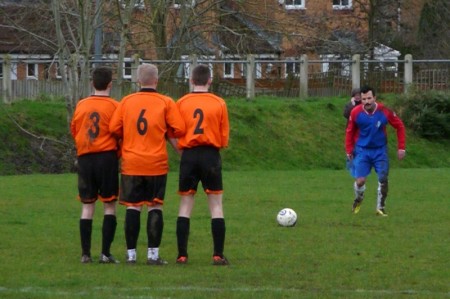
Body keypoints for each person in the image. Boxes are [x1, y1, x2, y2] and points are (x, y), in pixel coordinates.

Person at [109, 63, 185, 265]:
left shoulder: (126, 102)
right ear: (156, 80)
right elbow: (179, 128)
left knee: (133, 207)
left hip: (132, 162)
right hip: (156, 162)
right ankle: (153, 255)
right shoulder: (166, 102)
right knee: (154, 207)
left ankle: (131, 255)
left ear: (138, 81)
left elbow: (114, 128)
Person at [173, 64, 230, 266]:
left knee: (186, 204)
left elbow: (174, 132)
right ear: (209, 81)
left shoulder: (181, 103)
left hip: (189, 155)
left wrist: (183, 151)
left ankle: (182, 255)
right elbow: (223, 138)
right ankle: (217, 254)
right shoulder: (219, 103)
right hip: (210, 155)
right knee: (216, 205)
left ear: (191, 80)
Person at [70, 66, 120, 264]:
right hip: (106, 158)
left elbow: (74, 130)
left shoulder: (81, 104)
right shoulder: (115, 106)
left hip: (86, 159)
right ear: (110, 84)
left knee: (87, 206)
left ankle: (85, 254)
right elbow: (119, 132)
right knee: (109, 206)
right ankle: (105, 253)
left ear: (92, 83)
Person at [345, 85, 406, 216]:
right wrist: (349, 150)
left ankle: (380, 208)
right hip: (362, 151)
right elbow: (350, 131)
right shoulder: (355, 112)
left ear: (375, 98)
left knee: (383, 179)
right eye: (364, 99)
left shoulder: (384, 111)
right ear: (360, 99)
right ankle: (359, 198)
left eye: (369, 98)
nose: (367, 102)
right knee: (360, 181)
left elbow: (399, 126)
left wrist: (401, 147)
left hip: (380, 150)